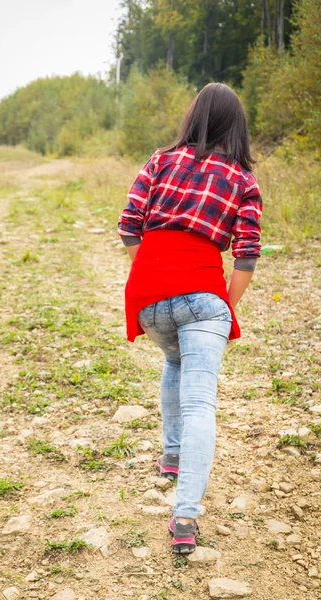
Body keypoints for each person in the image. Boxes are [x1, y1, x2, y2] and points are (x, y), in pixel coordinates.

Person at [117, 82, 262, 554]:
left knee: (174, 361)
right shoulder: (242, 179)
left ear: (192, 116)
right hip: (203, 291)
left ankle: (173, 453)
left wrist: (152, 271)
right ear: (236, 127)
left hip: (149, 294)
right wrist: (222, 310)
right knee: (201, 400)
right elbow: (246, 256)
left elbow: (128, 225)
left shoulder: (161, 160)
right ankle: (184, 518)